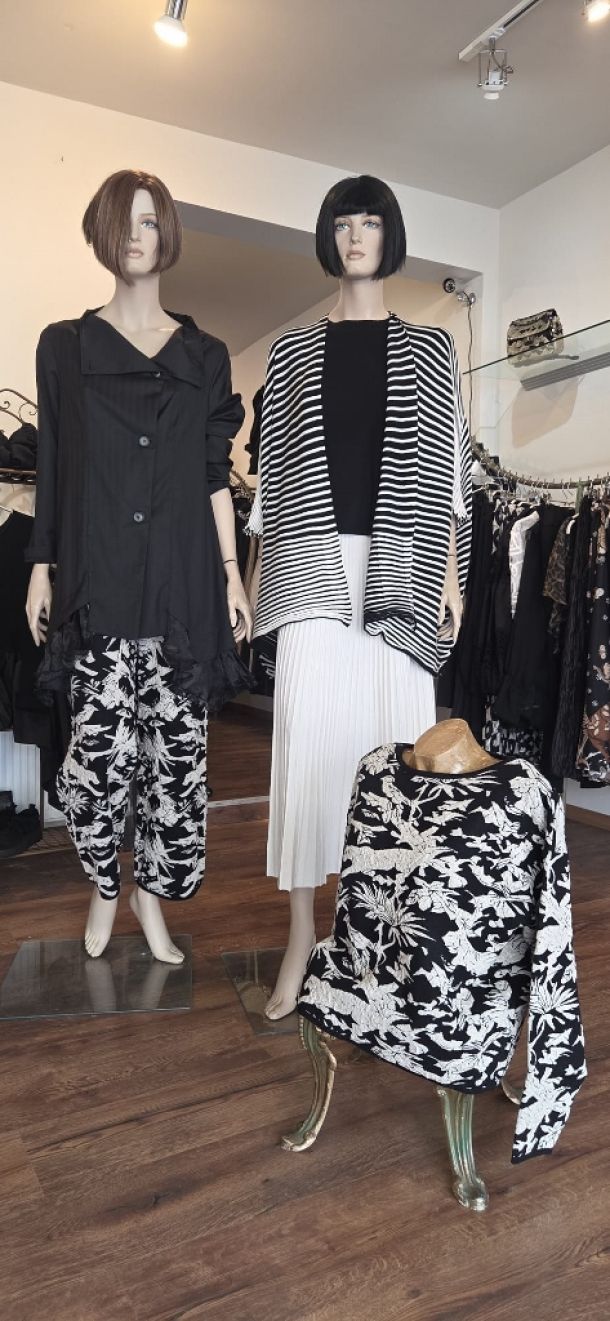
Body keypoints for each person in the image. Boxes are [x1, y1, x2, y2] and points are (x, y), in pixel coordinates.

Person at [249, 174, 472, 1017]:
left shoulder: (431, 349)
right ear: (328, 235)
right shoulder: (291, 351)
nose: (355, 235)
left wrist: (448, 573)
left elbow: (448, 475)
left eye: (370, 221)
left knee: (394, 757)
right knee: (308, 752)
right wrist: (257, 576)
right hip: (311, 568)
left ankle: (379, 939)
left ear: (389, 236)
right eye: (344, 221)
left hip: (401, 568)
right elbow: (273, 482)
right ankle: (303, 938)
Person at [26, 169, 253, 962]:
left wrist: (231, 572)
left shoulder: (205, 355)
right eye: (124, 220)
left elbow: (213, 472)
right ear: (103, 230)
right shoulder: (65, 346)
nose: (136, 234)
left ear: (168, 236)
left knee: (176, 765)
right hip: (99, 586)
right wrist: (41, 563)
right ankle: (104, 886)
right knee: (96, 762)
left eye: (150, 221)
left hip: (182, 589)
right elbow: (54, 466)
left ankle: (150, 897)